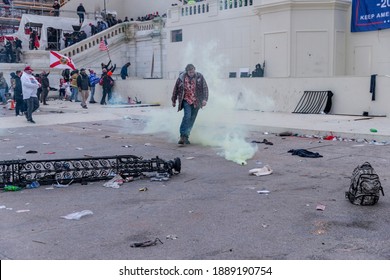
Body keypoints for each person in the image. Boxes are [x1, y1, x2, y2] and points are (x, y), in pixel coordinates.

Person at [171, 64, 209, 145]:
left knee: (192, 119)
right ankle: (182, 135)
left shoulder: (199, 76)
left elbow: (205, 88)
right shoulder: (181, 78)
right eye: (190, 72)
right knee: (187, 116)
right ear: (187, 71)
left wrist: (205, 99)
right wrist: (173, 100)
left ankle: (186, 137)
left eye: (193, 71)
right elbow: (176, 89)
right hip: (186, 100)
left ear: (195, 70)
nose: (192, 73)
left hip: (196, 101)